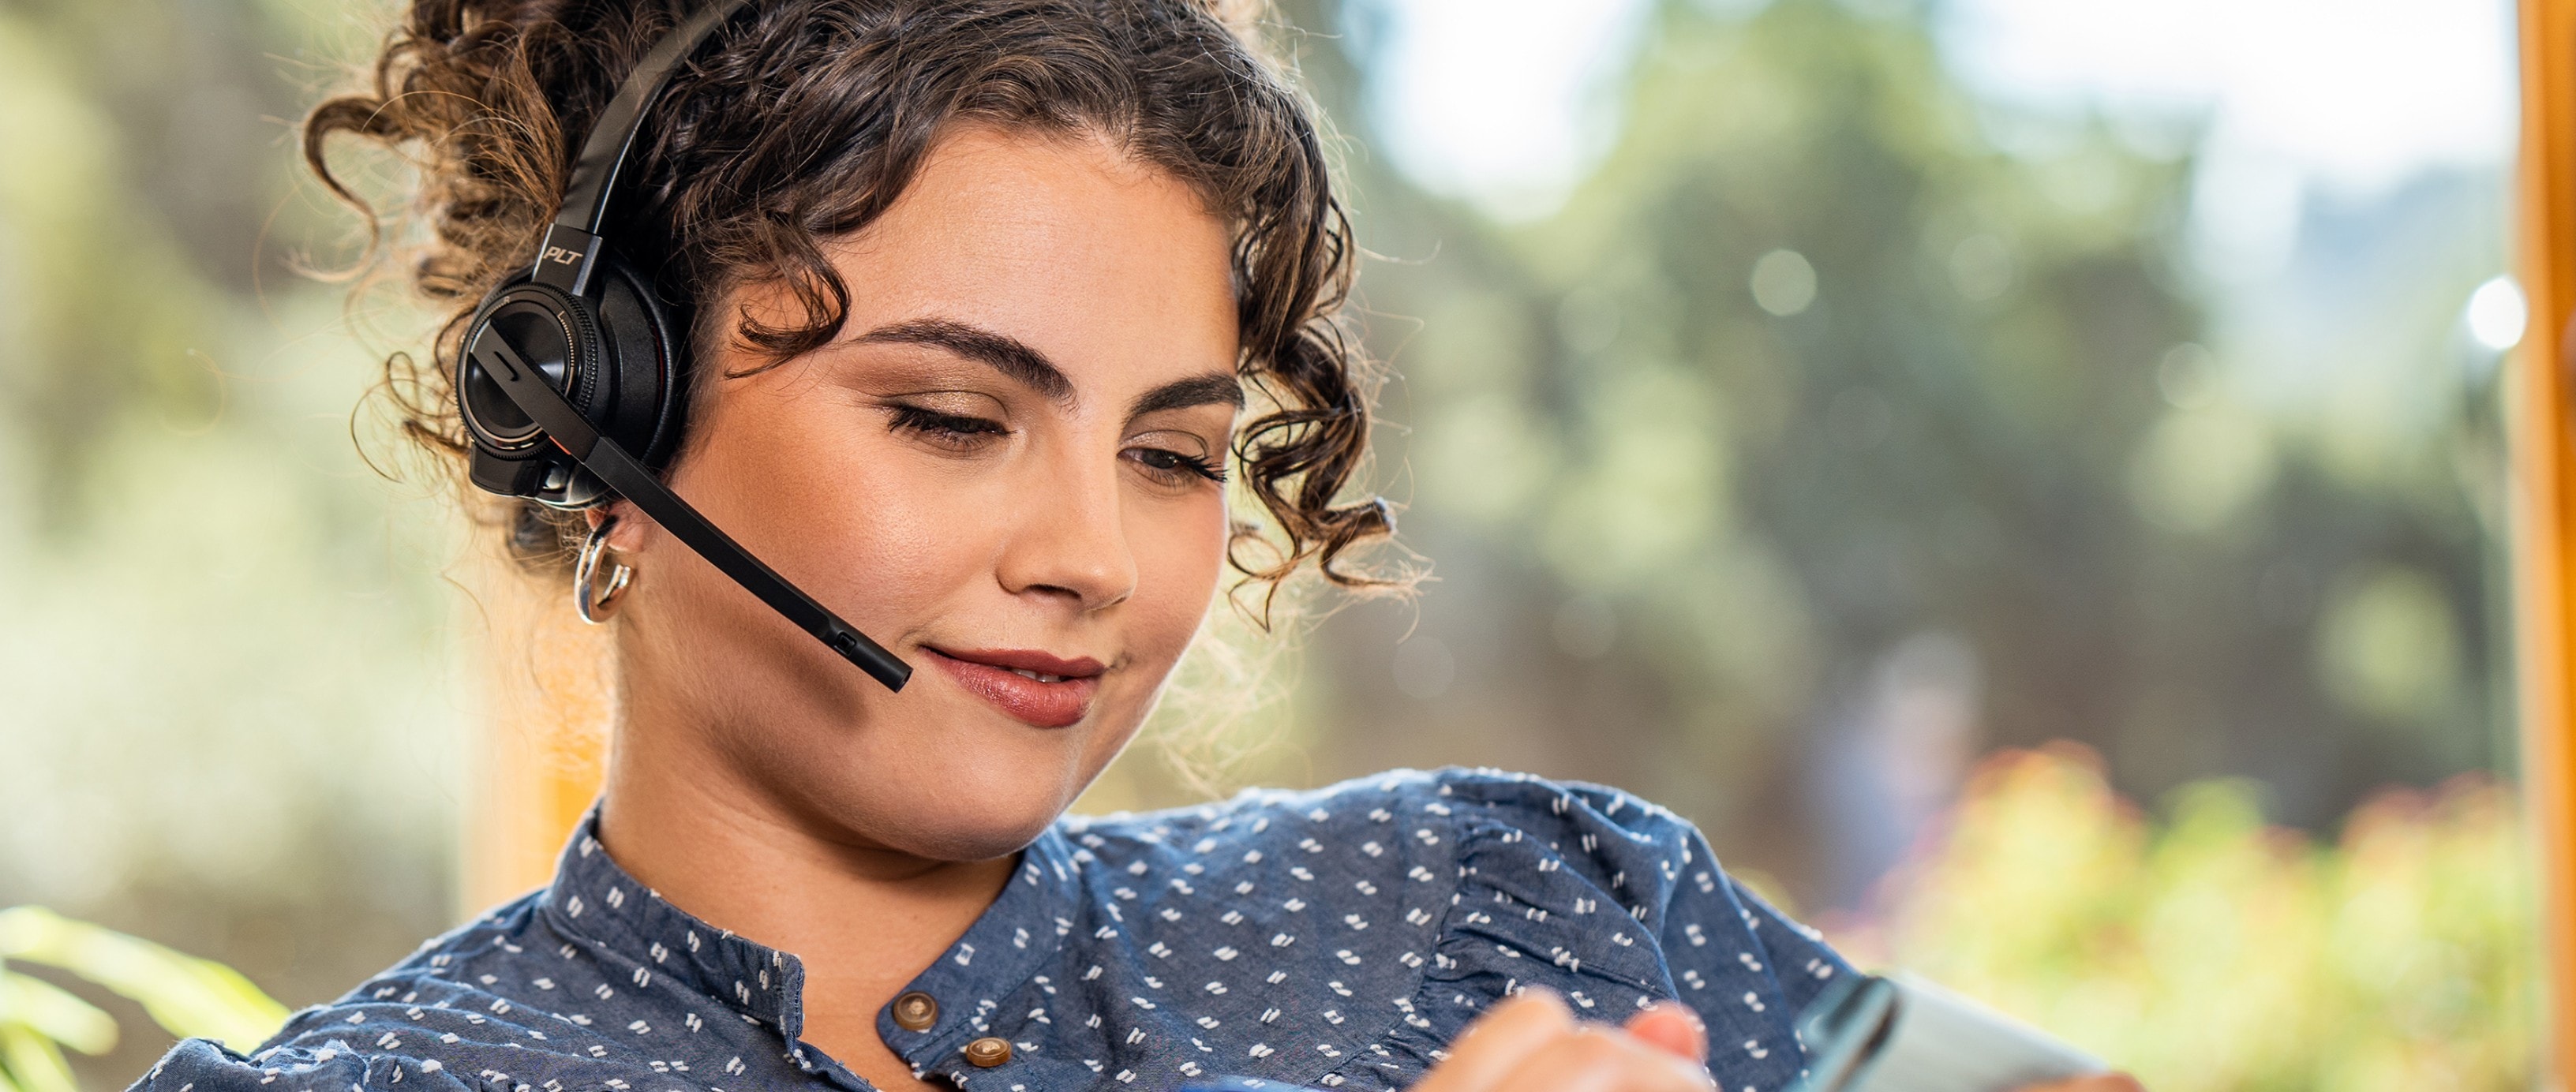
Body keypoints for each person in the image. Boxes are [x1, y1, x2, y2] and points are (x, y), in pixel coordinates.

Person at [133, 1, 2138, 1090]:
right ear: (599, 410)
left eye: (1176, 454)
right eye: (948, 415)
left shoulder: (1513, 902)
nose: (1098, 554)